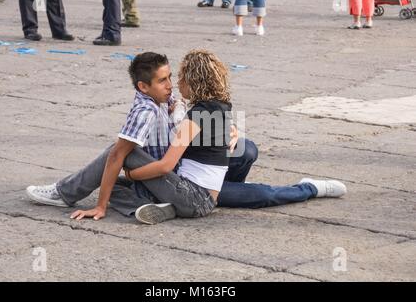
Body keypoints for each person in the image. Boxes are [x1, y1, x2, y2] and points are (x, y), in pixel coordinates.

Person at [26, 51, 347, 225]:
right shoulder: (217, 106)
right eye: (169, 78)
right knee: (121, 178)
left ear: (195, 81)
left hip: (197, 193)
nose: (176, 83)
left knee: (120, 159)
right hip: (199, 186)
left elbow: (166, 165)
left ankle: (309, 187)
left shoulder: (194, 116)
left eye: (180, 77)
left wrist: (132, 171)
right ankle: (158, 203)